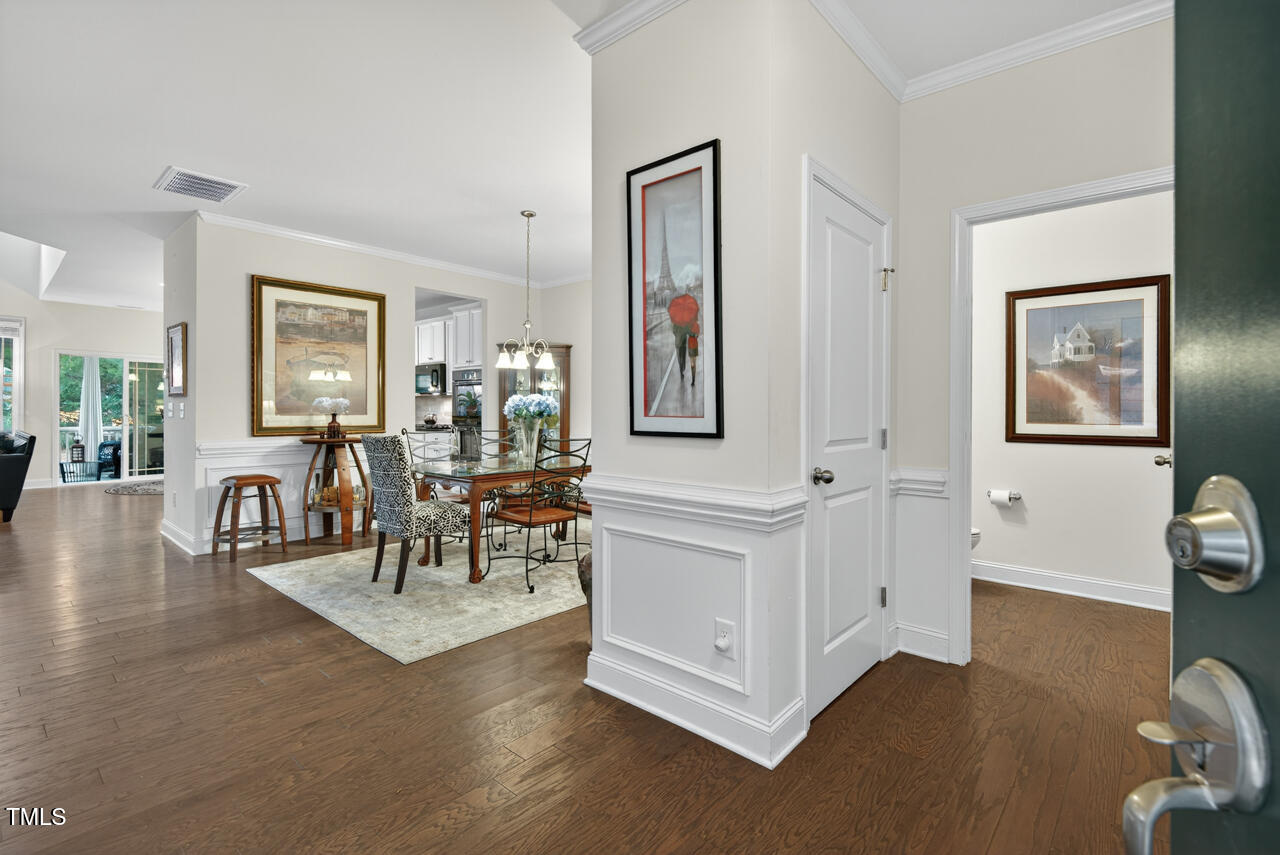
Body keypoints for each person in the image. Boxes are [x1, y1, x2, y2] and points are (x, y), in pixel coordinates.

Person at [667, 290, 700, 385]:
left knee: (679, 357)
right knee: (684, 355)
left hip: (677, 342)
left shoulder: (675, 322)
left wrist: (677, 335)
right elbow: (688, 331)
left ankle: (681, 370)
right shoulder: (685, 321)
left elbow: (673, 331)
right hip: (684, 341)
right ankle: (683, 368)